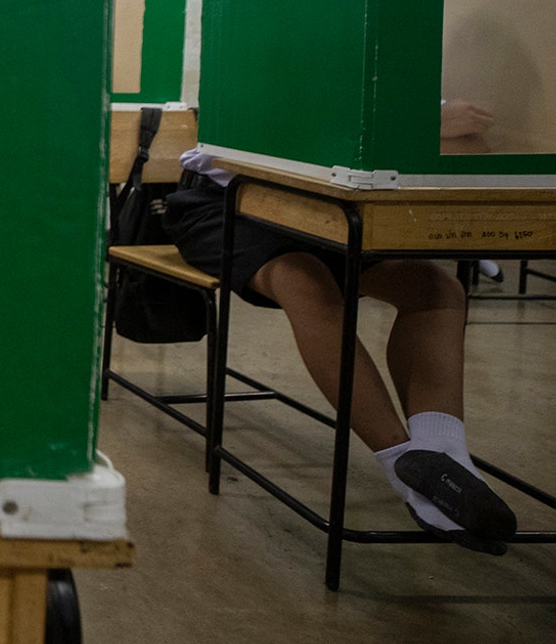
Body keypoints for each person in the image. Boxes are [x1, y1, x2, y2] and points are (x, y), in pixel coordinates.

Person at [161, 115, 517, 555]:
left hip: (331, 205)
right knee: (304, 280)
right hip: (227, 202)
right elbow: (298, 128)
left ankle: (446, 462)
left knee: (437, 289)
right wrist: (432, 123)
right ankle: (403, 465)